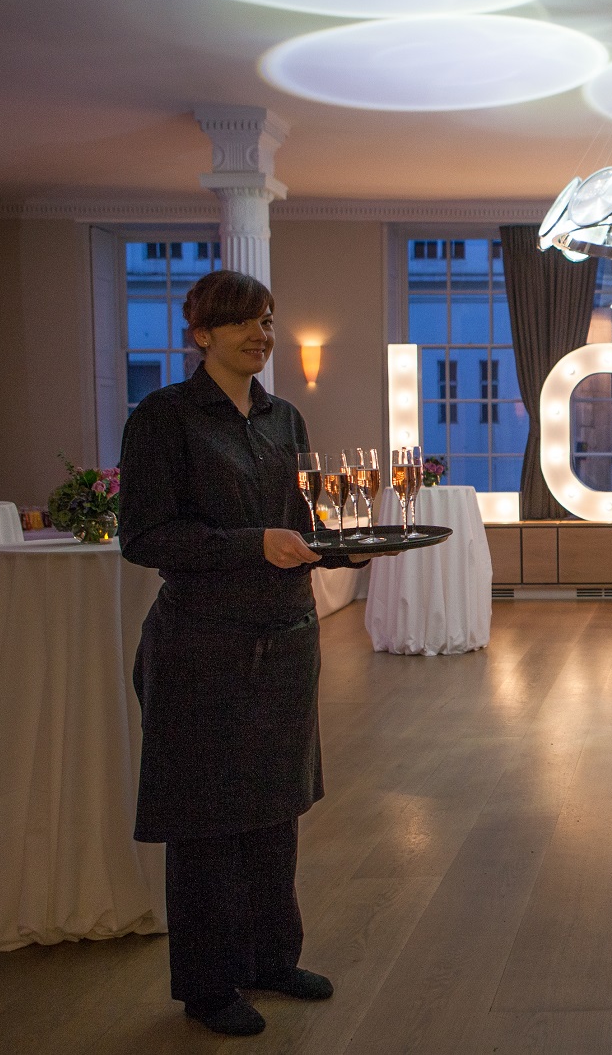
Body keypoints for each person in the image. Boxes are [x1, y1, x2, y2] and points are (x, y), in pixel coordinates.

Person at [119, 270, 371, 1035]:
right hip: (203, 643)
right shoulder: (164, 418)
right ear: (200, 334)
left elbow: (297, 523)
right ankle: (207, 984)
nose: (261, 334)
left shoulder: (284, 418)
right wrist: (252, 543)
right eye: (242, 323)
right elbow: (146, 538)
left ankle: (270, 958)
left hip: (287, 638)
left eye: (266, 320)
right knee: (206, 819)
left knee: (275, 807)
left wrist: (340, 549)